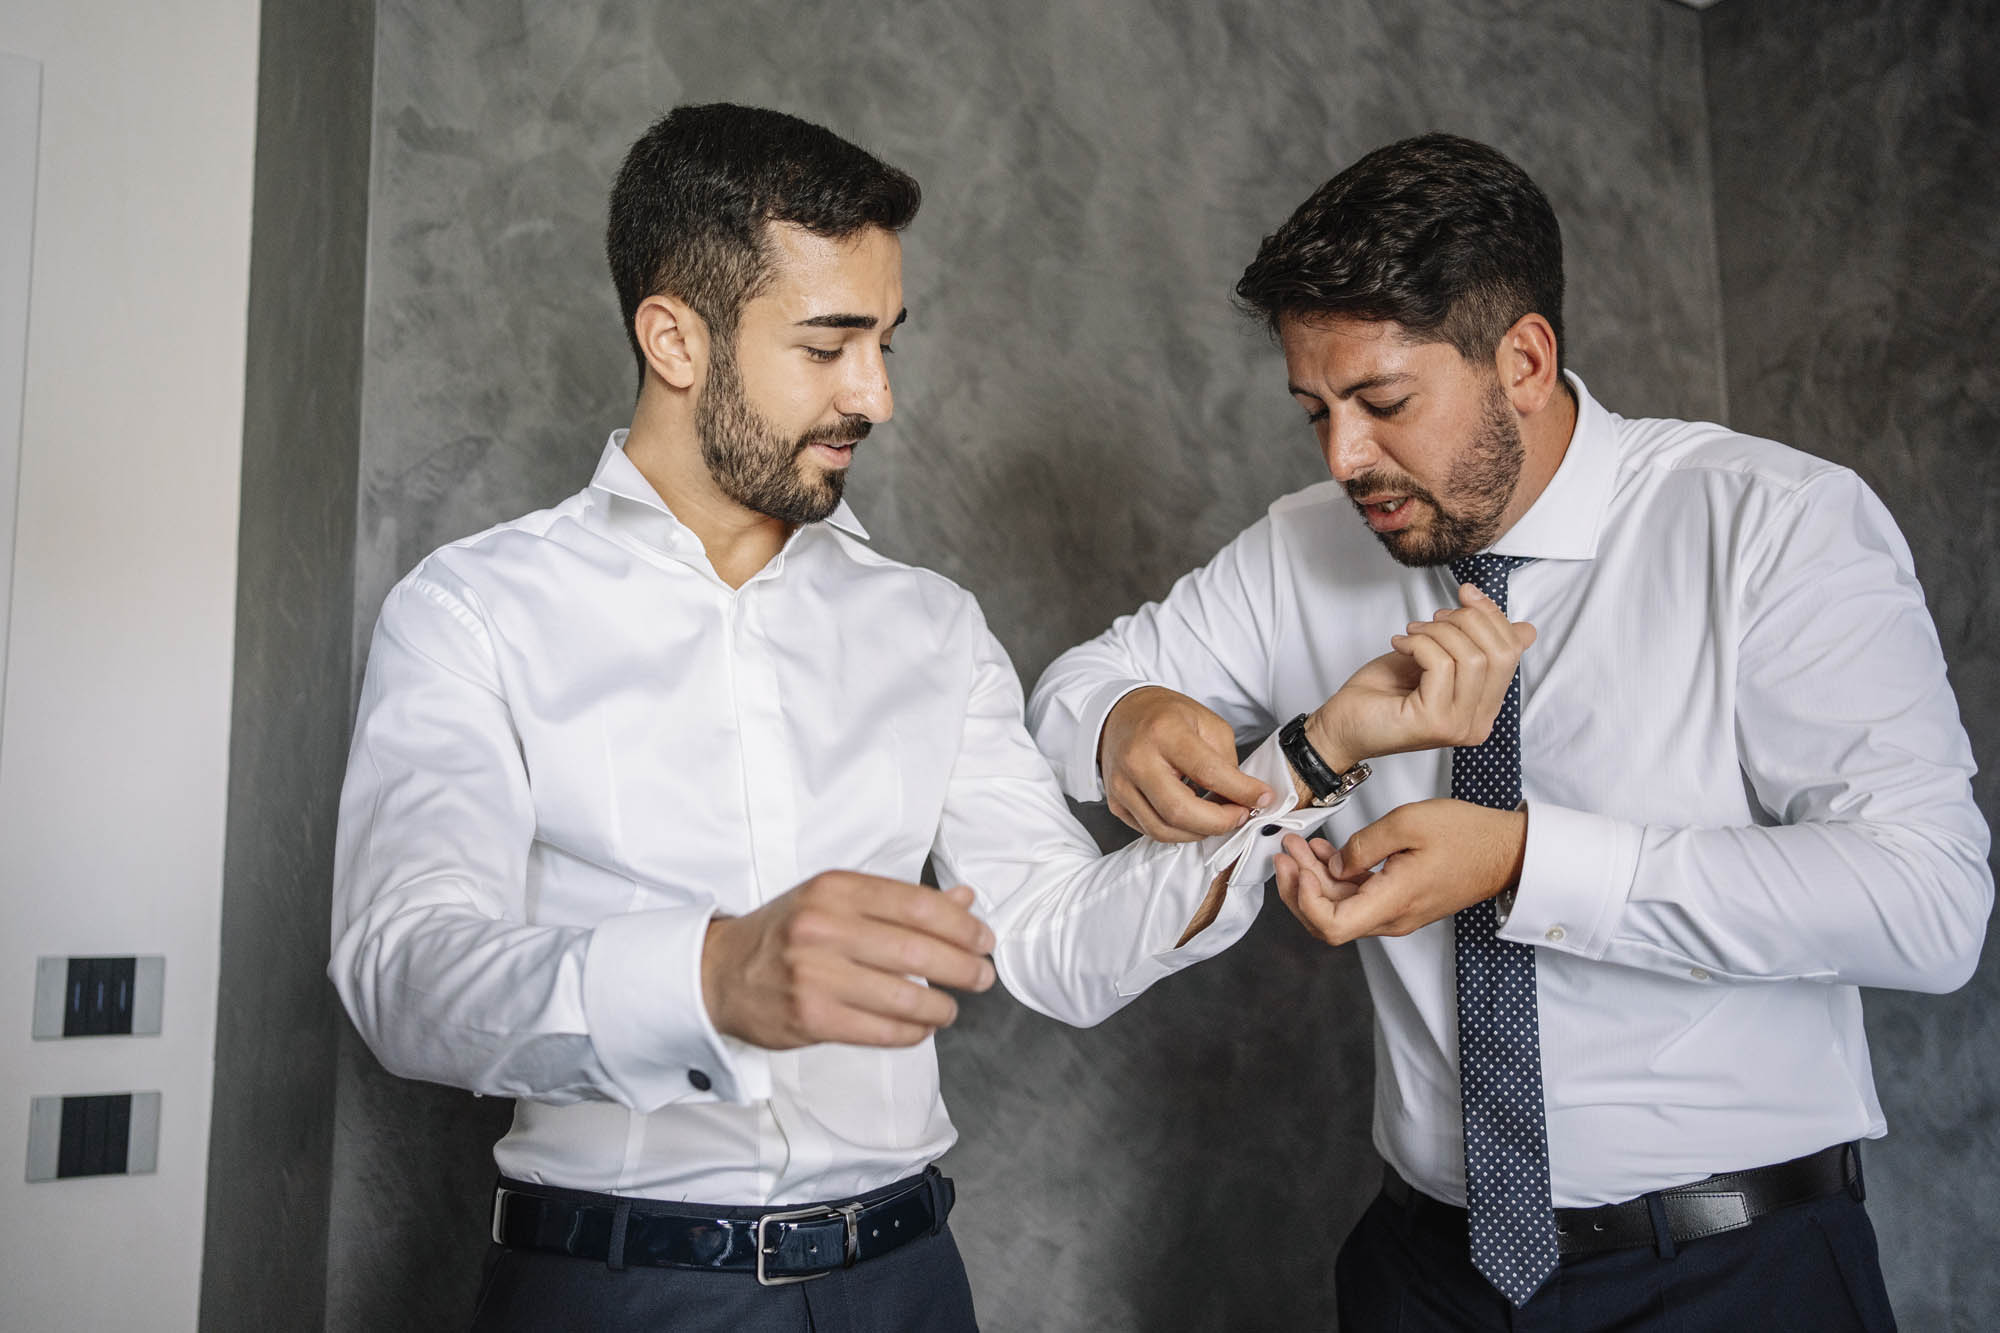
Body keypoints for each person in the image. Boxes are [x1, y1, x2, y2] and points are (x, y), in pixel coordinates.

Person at [328, 106, 1530, 1333]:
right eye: (828, 345)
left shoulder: (931, 625)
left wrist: (1314, 753)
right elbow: (401, 972)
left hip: (901, 1283)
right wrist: (708, 975)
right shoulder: (474, 609)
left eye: (886, 341)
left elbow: (1057, 941)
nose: (878, 396)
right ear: (674, 338)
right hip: (607, 1288)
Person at [1028, 132, 1991, 1331]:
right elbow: (1074, 688)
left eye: (1382, 403)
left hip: (1735, 1270)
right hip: (1422, 1276)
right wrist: (1125, 714)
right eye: (1313, 409)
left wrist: (1525, 860)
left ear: (1523, 359)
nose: (1343, 458)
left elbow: (1927, 905)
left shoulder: (1771, 524)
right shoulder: (1304, 546)